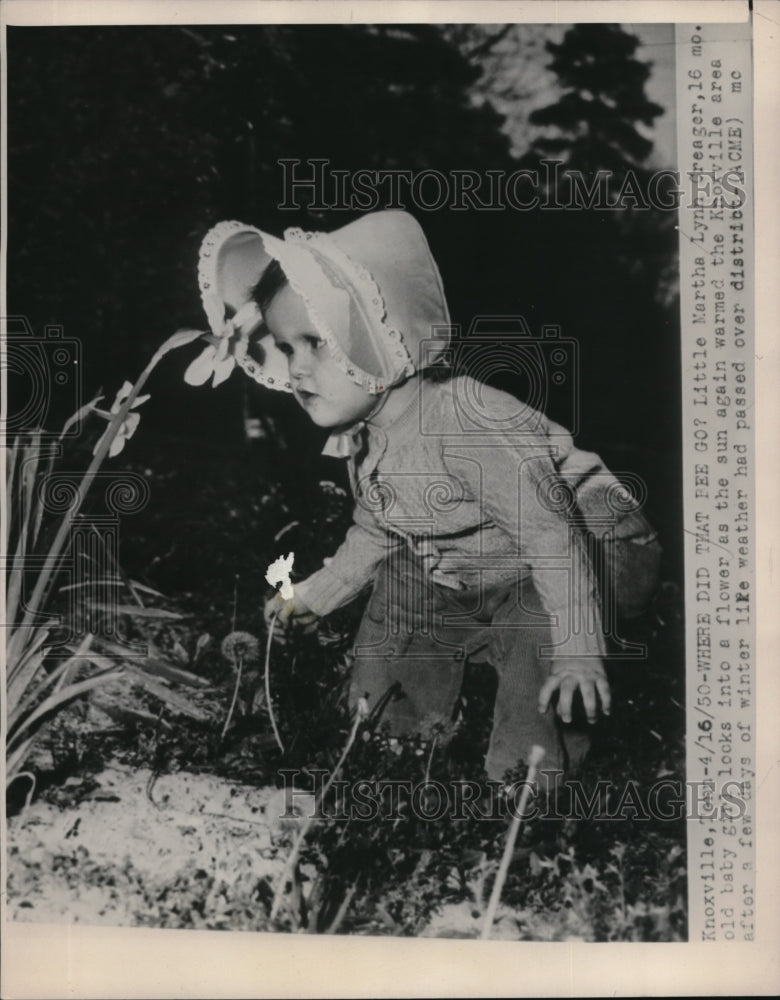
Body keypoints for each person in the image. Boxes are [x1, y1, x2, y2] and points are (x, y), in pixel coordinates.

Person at [190, 210, 660, 781]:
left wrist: (579, 647)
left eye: (318, 342)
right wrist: (313, 597)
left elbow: (551, 535)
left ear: (381, 337)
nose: (299, 370)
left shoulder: (466, 422)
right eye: (288, 349)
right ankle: (391, 740)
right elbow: (377, 529)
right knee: (403, 580)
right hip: (491, 561)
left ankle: (527, 784)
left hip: (593, 545)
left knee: (538, 618)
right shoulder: (365, 439)